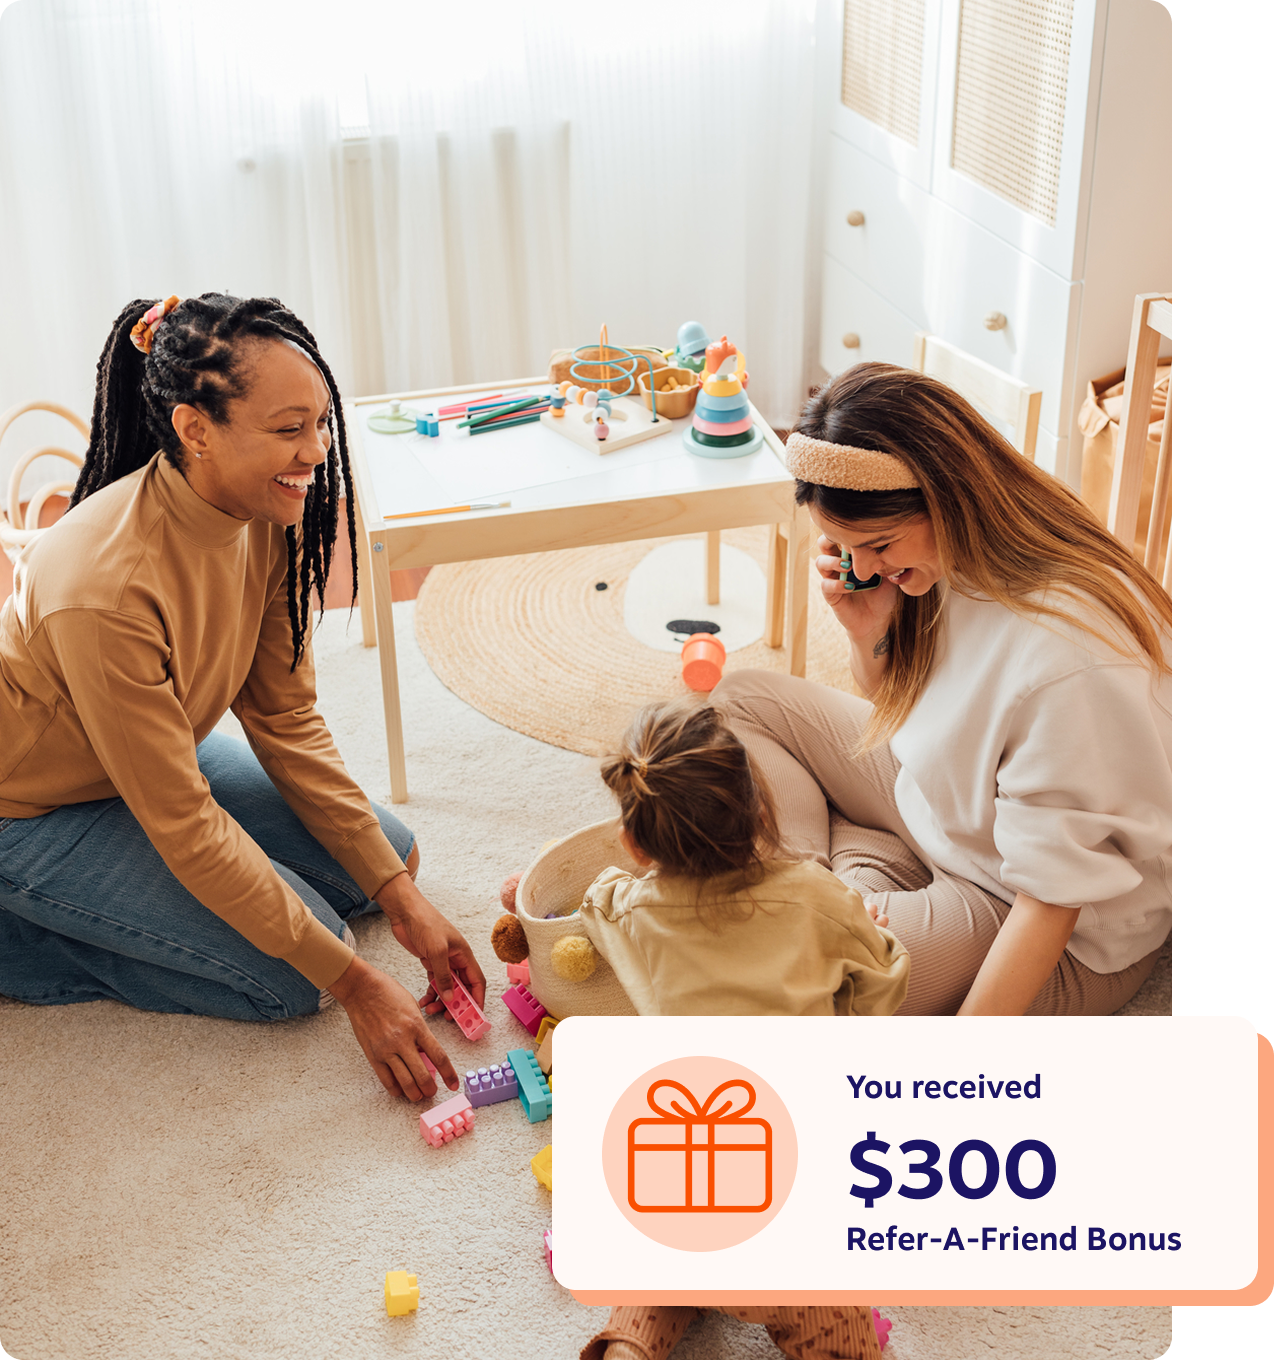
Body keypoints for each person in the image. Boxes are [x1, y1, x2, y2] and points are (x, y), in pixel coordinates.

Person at [0, 293, 482, 1101]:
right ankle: (25, 933)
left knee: (387, 860)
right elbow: (186, 828)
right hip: (28, 812)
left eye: (321, 423)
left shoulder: (263, 507)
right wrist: (361, 984)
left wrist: (405, 903)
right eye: (291, 429)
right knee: (300, 978)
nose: (317, 452)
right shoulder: (101, 588)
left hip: (148, 765)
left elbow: (284, 717)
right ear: (195, 430)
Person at [712, 361, 1200, 1017]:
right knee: (741, 700)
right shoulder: (948, 555)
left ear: (943, 497)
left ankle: (857, 872)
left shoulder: (1070, 658)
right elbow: (898, 706)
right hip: (947, 808)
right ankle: (827, 883)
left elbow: (1052, 900)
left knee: (790, 980)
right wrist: (870, 630)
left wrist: (955, 1070)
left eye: (877, 544)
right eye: (843, 547)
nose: (860, 569)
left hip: (1039, 916)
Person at [578, 699, 909, 1017]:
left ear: (634, 846)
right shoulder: (814, 894)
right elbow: (887, 980)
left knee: (857, 847)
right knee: (868, 862)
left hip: (703, 1075)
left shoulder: (632, 911)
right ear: (761, 814)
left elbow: (596, 902)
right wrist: (862, 930)